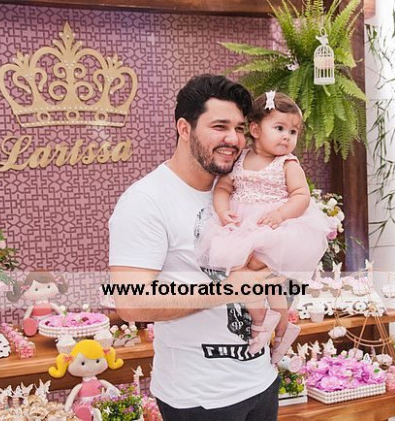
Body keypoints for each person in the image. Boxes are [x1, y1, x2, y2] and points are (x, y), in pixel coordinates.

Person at [109, 75, 283, 421]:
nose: (233, 139)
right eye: (219, 126)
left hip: (261, 382)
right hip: (199, 399)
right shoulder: (145, 201)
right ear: (184, 128)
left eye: (239, 128)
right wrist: (227, 290)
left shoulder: (240, 189)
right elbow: (130, 302)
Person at [195, 91, 330, 365]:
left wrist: (281, 214)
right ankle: (263, 322)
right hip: (243, 226)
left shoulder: (287, 163)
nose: (287, 137)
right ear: (255, 130)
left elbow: (301, 196)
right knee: (242, 273)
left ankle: (280, 327)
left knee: (269, 278)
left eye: (293, 132)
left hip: (274, 225)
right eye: (279, 128)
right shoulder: (240, 160)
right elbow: (223, 188)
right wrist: (222, 211)